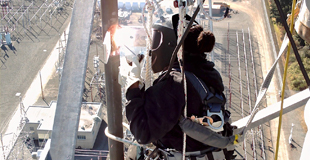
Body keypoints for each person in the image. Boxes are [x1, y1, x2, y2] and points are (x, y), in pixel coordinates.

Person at [119, 16, 243, 159]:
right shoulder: (208, 74)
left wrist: (132, 86)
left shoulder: (174, 83)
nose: (151, 51)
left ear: (170, 46)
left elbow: (142, 133)